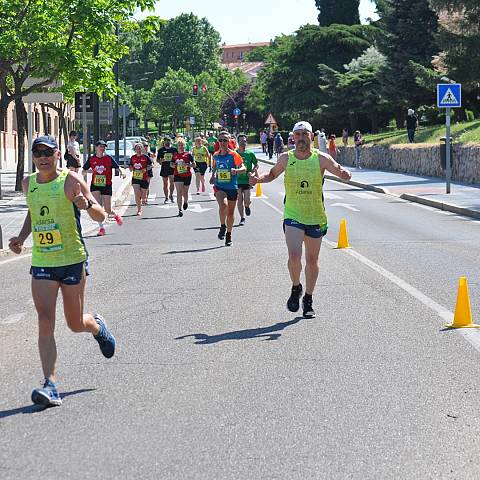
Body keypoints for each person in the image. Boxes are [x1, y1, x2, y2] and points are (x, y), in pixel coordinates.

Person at [8, 135, 116, 407]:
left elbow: (102, 216)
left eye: (48, 152)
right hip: (43, 261)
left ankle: (97, 327)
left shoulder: (71, 181)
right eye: (38, 153)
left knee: (75, 322)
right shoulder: (28, 183)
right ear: (33, 157)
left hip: (71, 259)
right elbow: (34, 213)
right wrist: (21, 239)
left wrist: (87, 205)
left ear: (59, 154)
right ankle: (50, 384)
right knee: (45, 321)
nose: (43, 157)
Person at [249, 121, 352, 318]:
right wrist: (258, 179)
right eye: (298, 134)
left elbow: (339, 169)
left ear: (311, 137)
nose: (301, 137)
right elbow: (271, 174)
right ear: (293, 137)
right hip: (293, 214)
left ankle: (308, 298)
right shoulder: (286, 158)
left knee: (312, 261)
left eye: (305, 134)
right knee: (295, 257)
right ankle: (296, 287)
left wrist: (345, 174)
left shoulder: (321, 158)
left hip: (315, 216)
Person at [210, 131, 245, 246]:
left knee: (230, 213)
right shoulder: (215, 154)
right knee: (223, 205)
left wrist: (237, 170)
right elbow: (214, 165)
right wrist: (212, 176)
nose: (222, 142)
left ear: (229, 141)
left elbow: (243, 168)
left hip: (232, 187)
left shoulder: (234, 155)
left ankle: (229, 234)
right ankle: (222, 226)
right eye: (220, 140)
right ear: (218, 142)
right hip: (219, 185)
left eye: (225, 140)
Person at [82, 140, 124, 236]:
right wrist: (89, 172)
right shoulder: (91, 159)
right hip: (95, 185)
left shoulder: (108, 158)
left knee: (108, 209)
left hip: (107, 185)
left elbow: (117, 167)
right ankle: (101, 229)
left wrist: (122, 172)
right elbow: (83, 171)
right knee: (98, 207)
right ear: (96, 148)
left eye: (104, 147)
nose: (102, 148)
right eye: (100, 146)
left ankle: (116, 216)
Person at [236, 134, 258, 225]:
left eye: (244, 141)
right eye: (241, 141)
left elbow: (256, 164)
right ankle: (242, 218)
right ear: (238, 142)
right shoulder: (235, 154)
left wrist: (253, 172)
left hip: (247, 180)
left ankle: (247, 206)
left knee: (247, 200)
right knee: (239, 199)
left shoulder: (250, 154)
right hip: (237, 180)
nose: (243, 143)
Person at [172, 138, 195, 217]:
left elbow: (194, 164)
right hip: (178, 175)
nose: (181, 147)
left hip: (187, 175)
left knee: (185, 192)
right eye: (179, 145)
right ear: (177, 146)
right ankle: (179, 209)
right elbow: (171, 164)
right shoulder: (175, 155)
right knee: (179, 192)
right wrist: (174, 165)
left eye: (182, 145)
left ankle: (185, 201)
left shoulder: (188, 155)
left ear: (184, 146)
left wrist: (188, 165)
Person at [129, 143, 152, 215]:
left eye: (140, 148)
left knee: (143, 196)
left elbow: (151, 165)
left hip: (144, 178)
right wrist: (131, 168)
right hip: (135, 178)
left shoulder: (145, 157)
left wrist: (145, 169)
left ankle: (143, 199)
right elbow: (130, 166)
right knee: (137, 194)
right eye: (137, 148)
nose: (138, 150)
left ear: (142, 149)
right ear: (135, 149)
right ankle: (139, 209)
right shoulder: (133, 158)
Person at [157, 136, 177, 203]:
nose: (167, 142)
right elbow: (157, 160)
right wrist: (161, 161)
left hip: (172, 168)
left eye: (169, 140)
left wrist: (175, 163)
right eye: (166, 140)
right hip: (164, 168)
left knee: (172, 183)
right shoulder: (161, 150)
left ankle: (171, 195)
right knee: (165, 184)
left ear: (170, 141)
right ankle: (166, 197)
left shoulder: (174, 149)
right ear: (164, 141)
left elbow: (177, 158)